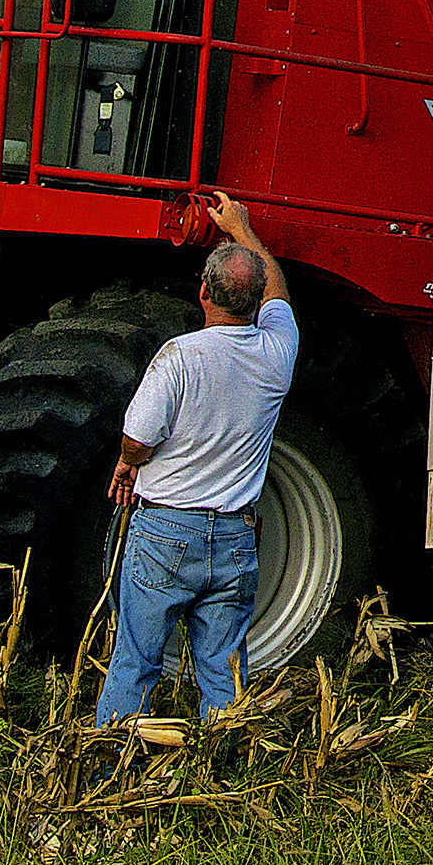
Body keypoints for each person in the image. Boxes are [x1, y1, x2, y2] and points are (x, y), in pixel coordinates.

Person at [92, 191, 299, 727]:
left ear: (203, 292)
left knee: (136, 660)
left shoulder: (179, 357)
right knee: (223, 670)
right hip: (234, 537)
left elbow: (137, 438)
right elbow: (278, 294)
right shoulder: (276, 354)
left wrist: (127, 462)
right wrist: (244, 231)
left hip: (165, 532)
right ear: (256, 304)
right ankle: (220, 774)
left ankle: (111, 766)